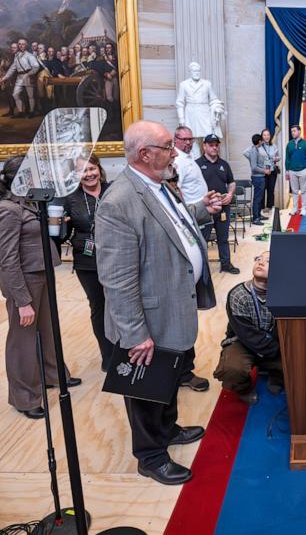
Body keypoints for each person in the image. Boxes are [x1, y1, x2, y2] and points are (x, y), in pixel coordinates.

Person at [95, 120, 222, 485]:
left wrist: (201, 209)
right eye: (169, 147)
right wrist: (135, 334)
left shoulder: (159, 186)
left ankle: (168, 431)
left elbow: (174, 226)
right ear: (144, 154)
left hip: (172, 306)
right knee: (146, 390)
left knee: (166, 379)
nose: (176, 153)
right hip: (147, 317)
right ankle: (150, 456)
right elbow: (117, 279)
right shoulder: (119, 202)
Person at [0, 156, 79, 419]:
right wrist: (22, 300)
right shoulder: (6, 209)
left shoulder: (29, 203)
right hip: (24, 280)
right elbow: (8, 259)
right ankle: (25, 397)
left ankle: (52, 375)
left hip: (42, 275)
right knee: (23, 341)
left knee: (48, 330)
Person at [62, 155, 115, 372]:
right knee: (99, 307)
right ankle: (109, 356)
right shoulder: (70, 199)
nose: (89, 174)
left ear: (99, 169)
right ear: (75, 175)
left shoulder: (114, 190)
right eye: (83, 171)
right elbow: (61, 236)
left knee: (122, 304)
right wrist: (58, 226)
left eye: (92, 168)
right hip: (87, 260)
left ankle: (129, 349)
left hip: (118, 257)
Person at [213, 251, 283, 404]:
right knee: (231, 369)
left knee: (295, 360)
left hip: (273, 343)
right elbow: (246, 334)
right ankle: (243, 388)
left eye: (268, 261)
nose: (261, 262)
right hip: (243, 342)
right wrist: (272, 351)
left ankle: (275, 375)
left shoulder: (283, 293)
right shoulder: (238, 294)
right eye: (258, 259)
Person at [197, 134, 239, 275]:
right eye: (211, 145)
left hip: (222, 208)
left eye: (216, 145)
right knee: (203, 240)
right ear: (204, 146)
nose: (214, 147)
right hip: (205, 209)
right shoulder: (197, 164)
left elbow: (231, 182)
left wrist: (230, 194)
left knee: (223, 237)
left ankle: (226, 264)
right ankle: (202, 269)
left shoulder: (224, 164)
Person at [175, 62, 226, 157]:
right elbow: (180, 102)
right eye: (194, 71)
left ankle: (209, 158)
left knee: (208, 137)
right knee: (192, 138)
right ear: (190, 72)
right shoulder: (184, 84)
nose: (197, 73)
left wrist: (216, 107)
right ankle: (196, 160)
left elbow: (213, 99)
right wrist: (181, 118)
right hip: (190, 113)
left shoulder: (207, 84)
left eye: (198, 71)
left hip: (204, 112)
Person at [0, 38, 40, 119]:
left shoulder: (30, 56)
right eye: (19, 44)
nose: (21, 46)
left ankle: (31, 112)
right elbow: (12, 68)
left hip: (28, 77)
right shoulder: (17, 56)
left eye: (23, 44)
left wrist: (29, 74)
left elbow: (36, 67)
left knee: (30, 96)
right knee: (15, 94)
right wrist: (5, 77)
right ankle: (20, 112)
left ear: (26, 45)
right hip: (20, 77)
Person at [171, 125, 209, 205]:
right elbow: (175, 191)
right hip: (192, 209)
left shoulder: (187, 155)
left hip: (201, 208)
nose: (188, 142)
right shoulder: (178, 160)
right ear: (175, 140)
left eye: (190, 139)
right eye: (184, 139)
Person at [285, 124, 306, 215]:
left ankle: (304, 208)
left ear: (299, 131)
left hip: (303, 170)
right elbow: (287, 158)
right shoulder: (289, 144)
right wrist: (287, 170)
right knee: (294, 191)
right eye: (292, 131)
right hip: (292, 171)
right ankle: (295, 208)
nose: (293, 133)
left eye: (294, 131)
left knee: (304, 190)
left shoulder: (305, 144)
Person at [242, 133, 267, 226]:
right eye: (261, 140)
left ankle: (258, 215)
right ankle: (255, 218)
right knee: (257, 198)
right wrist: (264, 171)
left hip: (260, 177)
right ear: (259, 141)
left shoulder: (256, 150)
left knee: (260, 198)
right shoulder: (253, 151)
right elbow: (254, 167)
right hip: (257, 177)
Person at [258, 128, 280, 215]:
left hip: (272, 171)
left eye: (268, 135)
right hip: (263, 171)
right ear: (262, 136)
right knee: (262, 190)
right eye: (264, 135)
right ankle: (262, 209)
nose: (266, 137)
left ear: (270, 136)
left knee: (271, 190)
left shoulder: (273, 146)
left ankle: (270, 208)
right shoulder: (259, 147)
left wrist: (276, 158)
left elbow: (278, 157)